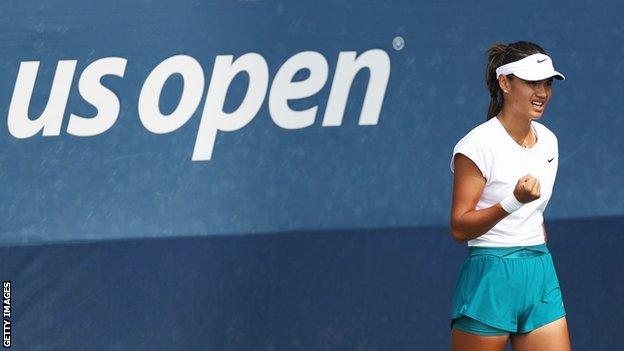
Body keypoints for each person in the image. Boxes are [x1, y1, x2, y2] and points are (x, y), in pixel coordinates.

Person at [448, 41, 572, 351]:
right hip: (491, 275)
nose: (542, 92)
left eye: (547, 83)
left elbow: (535, 215)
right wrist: (513, 201)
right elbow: (460, 227)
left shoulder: (549, 142)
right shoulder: (477, 145)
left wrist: (531, 233)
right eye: (532, 82)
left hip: (539, 271)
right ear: (505, 82)